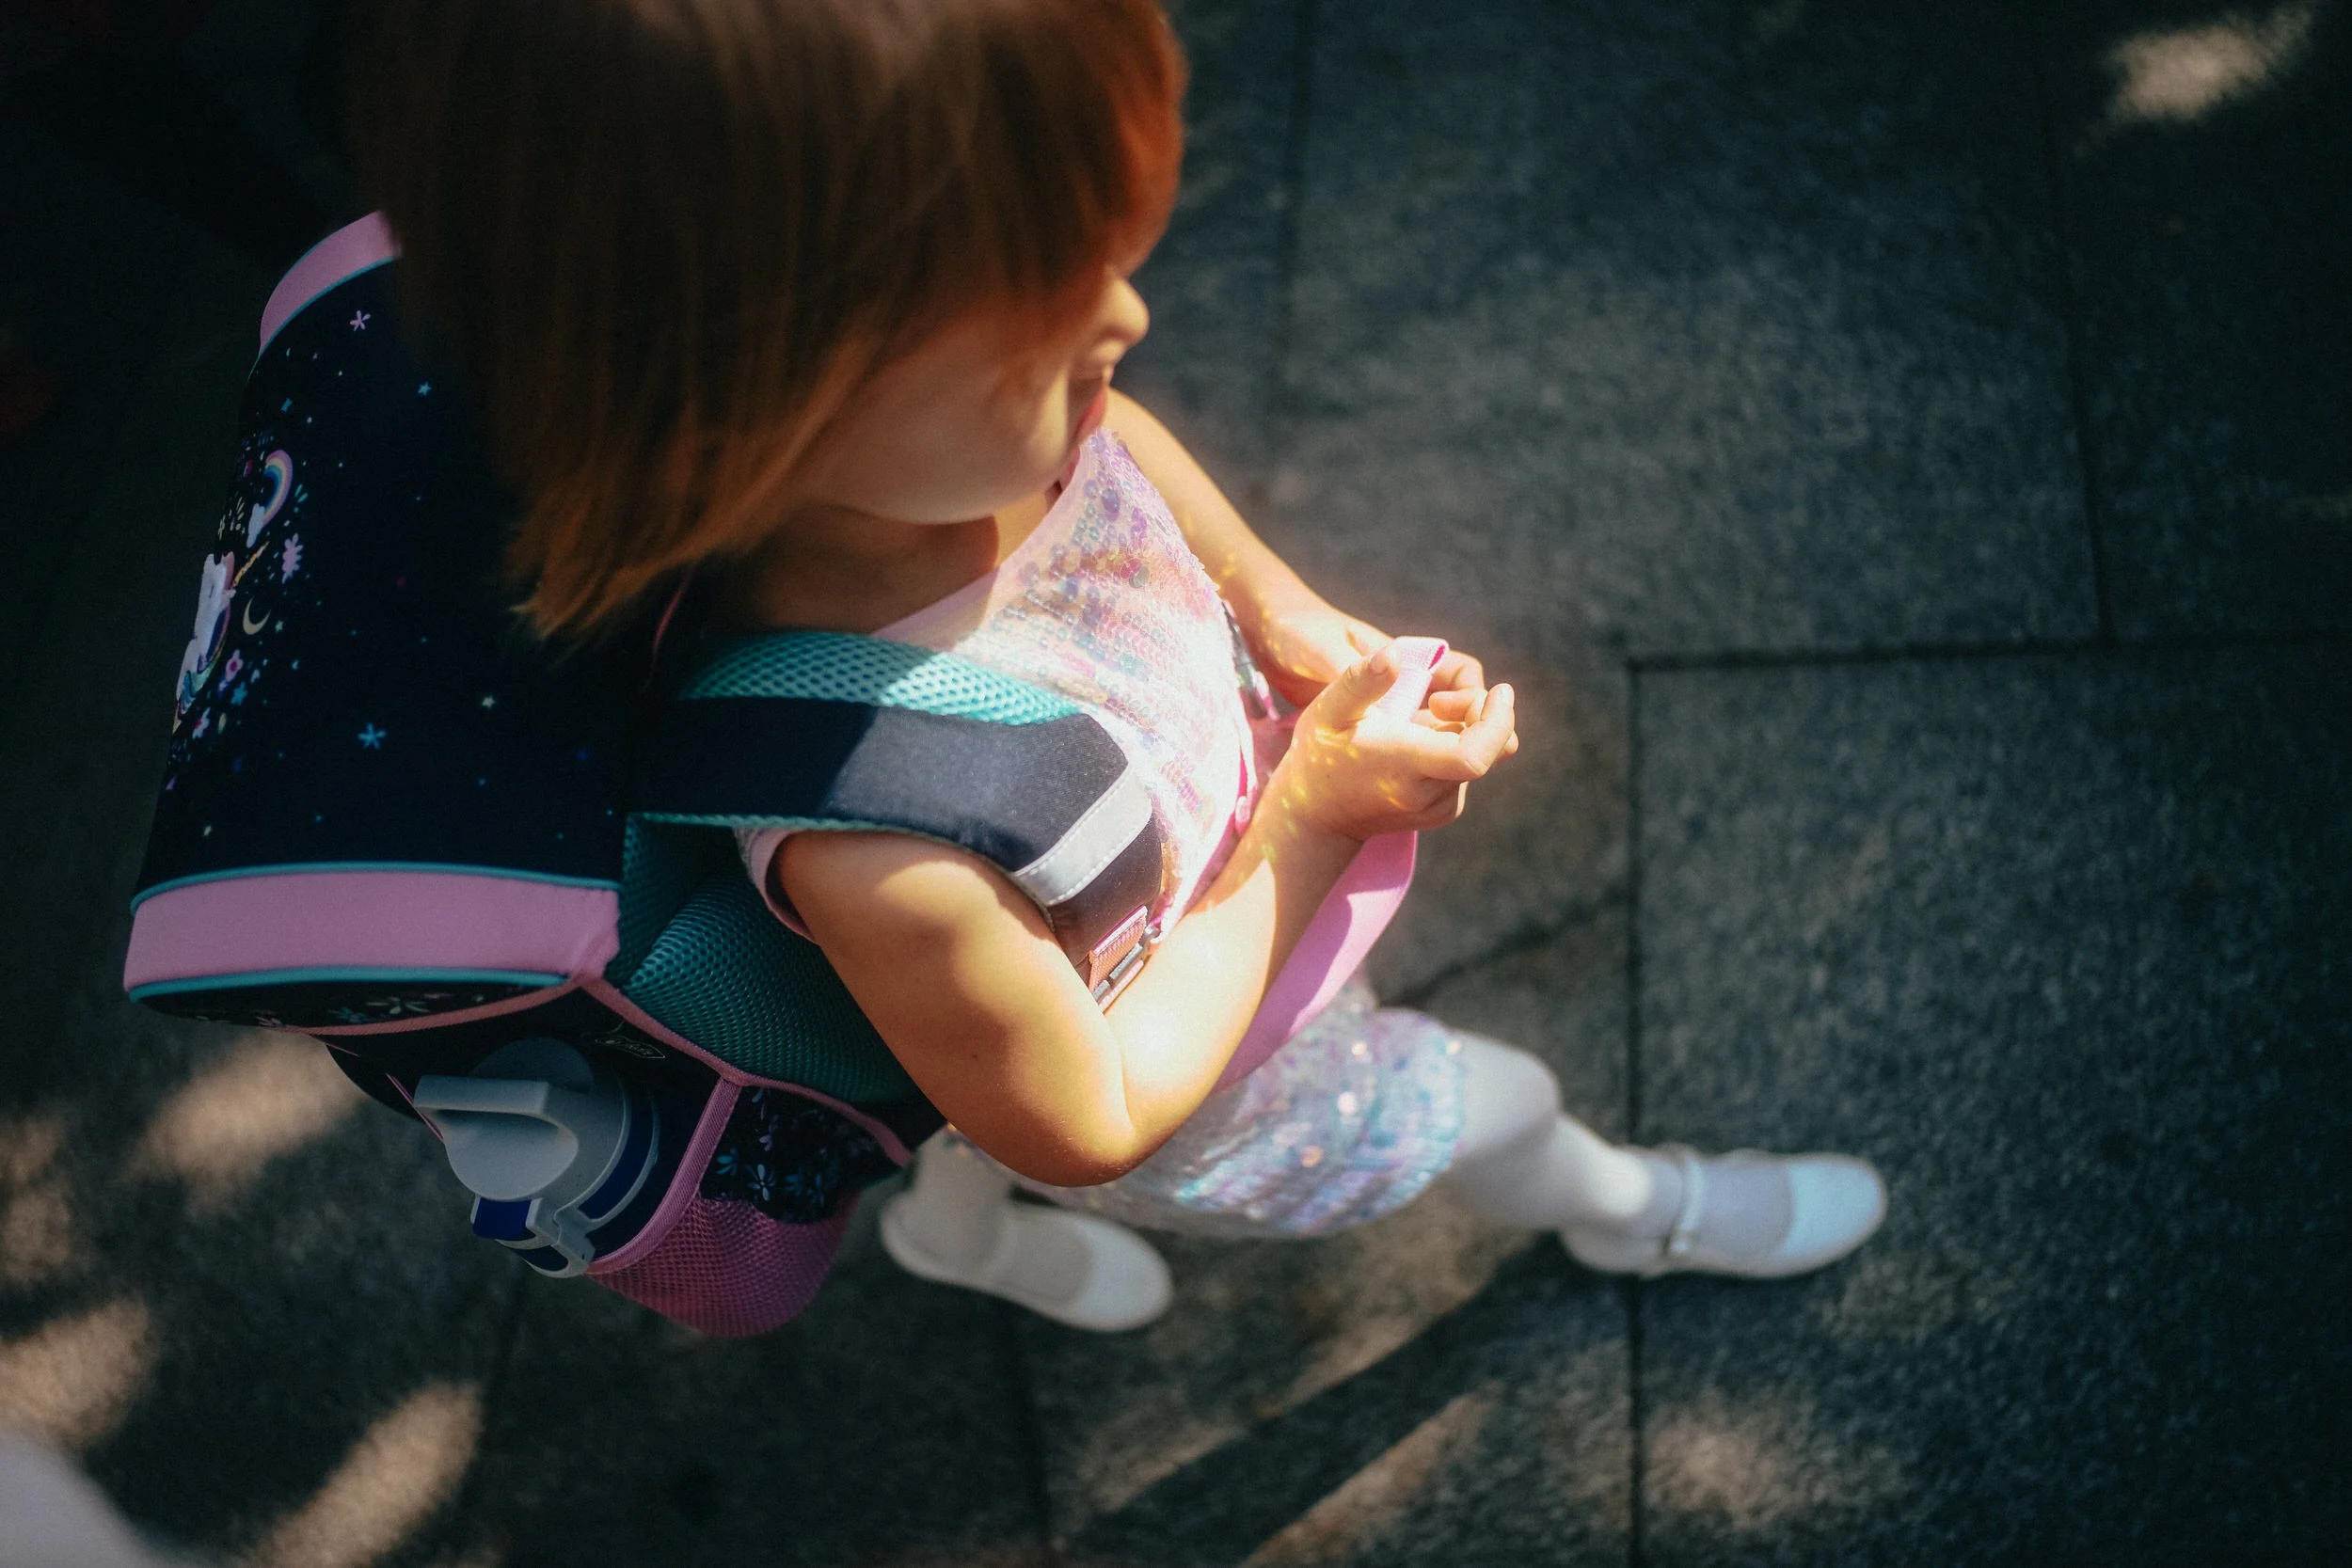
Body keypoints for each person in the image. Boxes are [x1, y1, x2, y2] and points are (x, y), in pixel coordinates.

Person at [342, 0, 1885, 1333]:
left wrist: (1273, 605)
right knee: (1502, 1104)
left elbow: (1120, 453)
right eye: (1045, 334)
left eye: (1101, 267)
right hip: (1204, 1062)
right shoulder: (877, 843)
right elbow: (1092, 1110)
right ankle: (1630, 1206)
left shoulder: (955, 463)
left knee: (948, 1097)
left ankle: (958, 1239)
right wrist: (1315, 811)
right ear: (751, 417)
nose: (1127, 322)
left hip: (1083, 945)